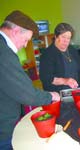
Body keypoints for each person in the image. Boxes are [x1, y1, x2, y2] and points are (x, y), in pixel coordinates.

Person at [0, 10, 60, 149]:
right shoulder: (4, 53)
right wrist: (51, 95)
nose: (26, 45)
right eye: (26, 39)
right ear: (15, 31)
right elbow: (27, 94)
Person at [39, 23, 80, 93]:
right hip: (58, 94)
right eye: (63, 37)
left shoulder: (72, 49)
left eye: (68, 38)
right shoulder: (47, 54)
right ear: (56, 36)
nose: (66, 41)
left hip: (76, 90)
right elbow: (46, 78)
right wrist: (65, 81)